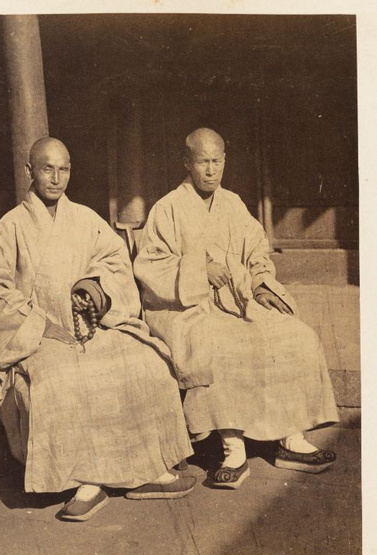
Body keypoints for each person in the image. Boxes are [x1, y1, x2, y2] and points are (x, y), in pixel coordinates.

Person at [0, 137, 195, 521]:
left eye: (64, 169)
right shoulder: (11, 227)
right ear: (29, 172)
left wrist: (96, 291)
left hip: (92, 325)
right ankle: (88, 482)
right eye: (47, 168)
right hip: (37, 336)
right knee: (62, 380)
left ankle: (147, 470)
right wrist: (40, 325)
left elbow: (115, 262)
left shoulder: (86, 218)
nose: (57, 178)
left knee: (146, 363)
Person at [134, 127, 339, 490]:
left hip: (237, 299)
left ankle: (290, 438)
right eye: (202, 162)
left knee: (295, 334)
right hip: (185, 307)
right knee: (221, 346)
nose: (211, 171)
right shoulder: (167, 209)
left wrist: (260, 282)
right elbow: (150, 267)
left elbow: (257, 249)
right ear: (186, 162)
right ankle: (233, 449)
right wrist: (198, 271)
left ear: (225, 161)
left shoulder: (232, 203)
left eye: (217, 161)